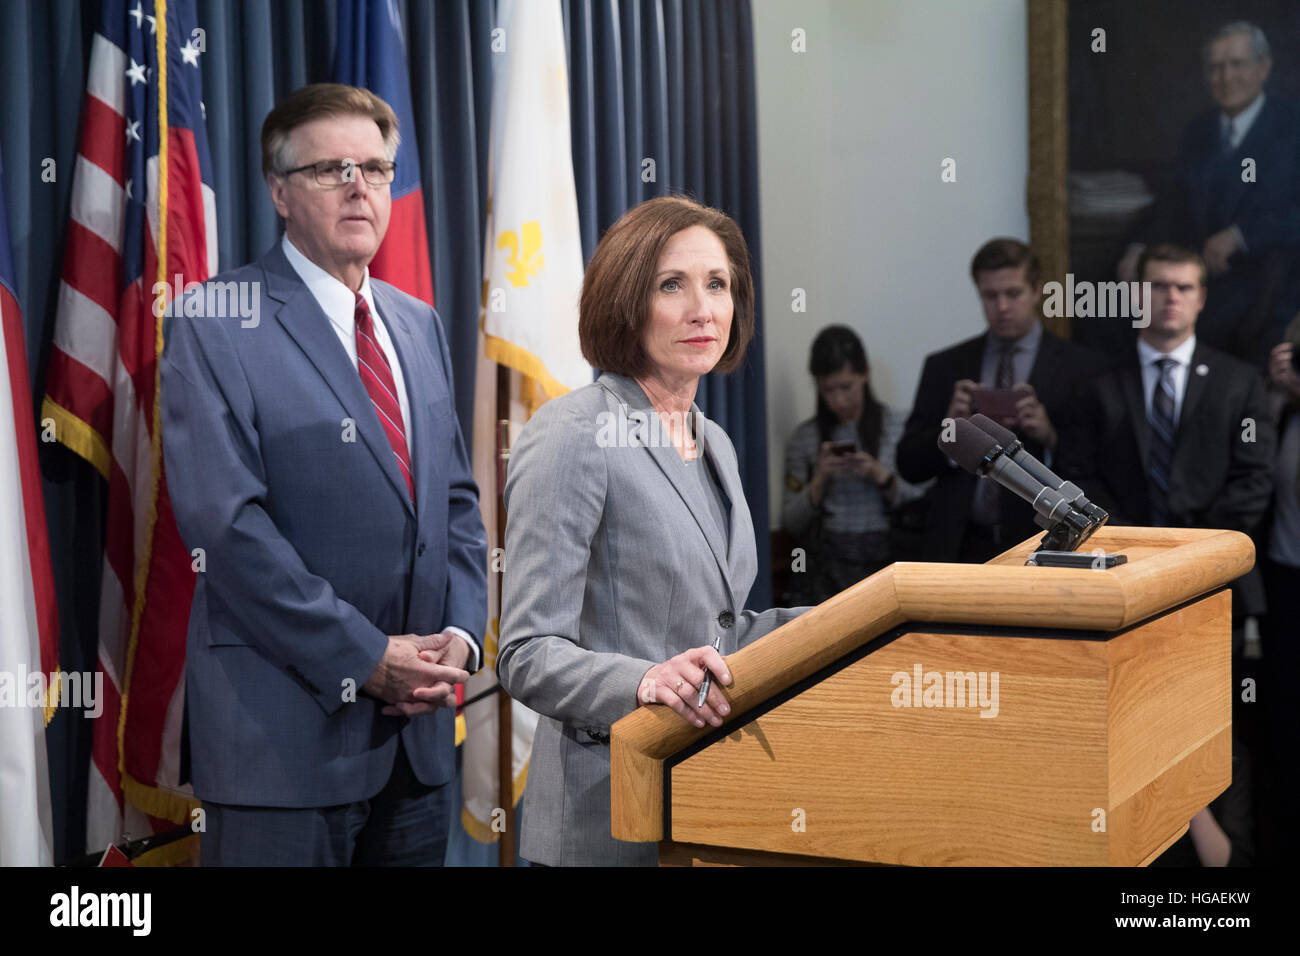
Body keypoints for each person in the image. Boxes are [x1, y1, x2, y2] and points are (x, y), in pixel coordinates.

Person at [160, 84, 487, 865]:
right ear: (278, 191)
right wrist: (367, 659)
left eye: (375, 169)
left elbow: (456, 506)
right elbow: (227, 530)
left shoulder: (417, 323)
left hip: (417, 749)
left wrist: (464, 640)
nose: (358, 187)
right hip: (282, 744)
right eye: (330, 169)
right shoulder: (216, 320)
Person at [495, 196, 808, 866]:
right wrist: (643, 681)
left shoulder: (714, 442)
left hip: (704, 805)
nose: (704, 309)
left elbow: (716, 630)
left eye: (718, 285)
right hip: (602, 821)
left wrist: (845, 624)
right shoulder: (574, 431)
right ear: (626, 301)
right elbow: (526, 652)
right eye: (674, 285)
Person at [895, 238, 1102, 563]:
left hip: (1042, 544)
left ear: (1036, 290)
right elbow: (907, 464)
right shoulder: (945, 366)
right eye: (990, 296)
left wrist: (1050, 436)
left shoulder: (1080, 368)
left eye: (1013, 293)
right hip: (958, 545)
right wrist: (950, 432)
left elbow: (1099, 465)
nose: (1002, 306)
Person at [1117, 21, 1300, 364]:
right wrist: (1138, 247)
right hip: (1199, 275)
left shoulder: (1292, 128)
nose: (1225, 77)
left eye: (1236, 64)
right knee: (1114, 311)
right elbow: (1172, 203)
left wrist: (1242, 235)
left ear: (1264, 68)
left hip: (1270, 279)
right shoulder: (1199, 132)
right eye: (1216, 67)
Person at [781, 325, 927, 604]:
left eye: (846, 387)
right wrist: (819, 480)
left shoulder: (899, 425)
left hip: (890, 562)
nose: (838, 400)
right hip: (826, 569)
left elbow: (925, 503)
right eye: (827, 390)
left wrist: (881, 476)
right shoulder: (805, 438)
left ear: (865, 374)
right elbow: (791, 522)